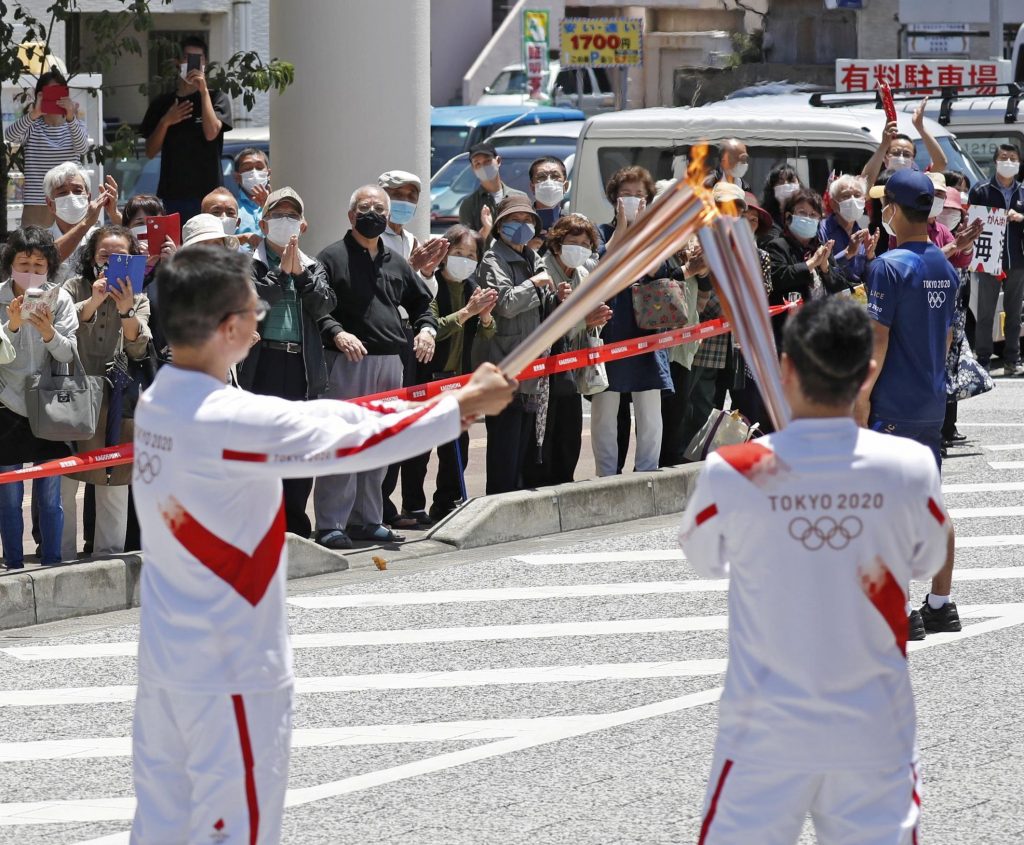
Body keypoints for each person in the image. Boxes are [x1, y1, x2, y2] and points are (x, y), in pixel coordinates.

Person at [128, 245, 515, 845]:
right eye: (254, 309)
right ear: (229, 327)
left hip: (167, 662)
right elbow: (344, 438)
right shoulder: (225, 419)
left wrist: (449, 405)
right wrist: (457, 406)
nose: (261, 319)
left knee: (162, 826)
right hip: (229, 668)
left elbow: (334, 425)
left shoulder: (159, 403)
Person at [680, 296, 948, 845]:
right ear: (869, 372)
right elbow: (927, 559)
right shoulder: (909, 467)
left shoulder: (733, 471)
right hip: (874, 726)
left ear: (785, 369)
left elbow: (704, 558)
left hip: (765, 729)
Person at [856, 169, 961, 640]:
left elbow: (876, 347)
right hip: (931, 402)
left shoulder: (888, 266)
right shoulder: (943, 263)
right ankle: (940, 604)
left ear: (895, 210)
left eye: (885, 204)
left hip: (892, 404)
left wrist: (859, 403)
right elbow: (945, 340)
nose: (882, 211)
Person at [313, 185, 437, 548]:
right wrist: (336, 333)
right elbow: (317, 308)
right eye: (365, 207)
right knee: (345, 443)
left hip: (390, 364)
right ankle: (331, 523)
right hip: (348, 362)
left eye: (379, 209)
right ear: (351, 216)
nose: (373, 214)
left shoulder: (396, 261)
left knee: (378, 445)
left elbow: (422, 304)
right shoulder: (331, 257)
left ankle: (367, 519)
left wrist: (427, 330)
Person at [237, 187, 336, 539]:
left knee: (298, 451)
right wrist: (282, 274)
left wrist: (302, 275)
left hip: (301, 368)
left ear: (303, 225)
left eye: (291, 216)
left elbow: (324, 305)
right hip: (261, 364)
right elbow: (253, 300)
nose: (284, 222)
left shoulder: (314, 266)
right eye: (277, 216)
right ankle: (262, 528)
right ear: (263, 224)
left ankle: (295, 528)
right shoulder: (248, 262)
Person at [60, 225, 152, 561]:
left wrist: (126, 308)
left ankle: (108, 559)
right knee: (64, 482)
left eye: (120, 257)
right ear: (91, 256)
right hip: (71, 392)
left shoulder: (139, 296)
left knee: (113, 483)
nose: (110, 262)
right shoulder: (73, 287)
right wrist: (94, 299)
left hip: (117, 397)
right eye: (104, 255)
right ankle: (61, 556)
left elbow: (140, 348)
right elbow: (62, 328)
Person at [410, 225, 498, 522]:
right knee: (419, 447)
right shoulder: (431, 285)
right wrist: (468, 312)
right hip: (430, 377)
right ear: (446, 254)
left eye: (471, 254)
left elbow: (488, 335)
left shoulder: (473, 286)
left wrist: (485, 317)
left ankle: (446, 501)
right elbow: (433, 326)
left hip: (461, 381)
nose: (464, 259)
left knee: (456, 445)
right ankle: (412, 506)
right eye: (459, 253)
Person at [375, 169, 447, 530]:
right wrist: (411, 271)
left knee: (414, 422)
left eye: (411, 196)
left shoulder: (411, 239)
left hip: (410, 337)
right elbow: (377, 293)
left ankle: (411, 502)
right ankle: (381, 503)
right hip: (383, 338)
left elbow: (421, 298)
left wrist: (427, 274)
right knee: (386, 422)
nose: (405, 202)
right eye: (397, 194)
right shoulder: (373, 240)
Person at [0, 227, 76, 569]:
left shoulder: (60, 299)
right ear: (10, 263)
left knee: (49, 496)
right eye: (23, 263)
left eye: (38, 264)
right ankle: (14, 565)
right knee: (8, 495)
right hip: (8, 404)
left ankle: (52, 564)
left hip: (50, 405)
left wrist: (48, 331)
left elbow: (69, 354)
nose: (30, 271)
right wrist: (12, 327)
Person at [473, 195, 555, 493]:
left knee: (522, 449)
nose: (521, 226)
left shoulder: (534, 258)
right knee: (503, 452)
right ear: (499, 226)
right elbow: (504, 303)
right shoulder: (493, 259)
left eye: (527, 221)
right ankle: (496, 506)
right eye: (513, 221)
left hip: (531, 369)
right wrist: (534, 284)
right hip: (503, 365)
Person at [594, 166, 673, 477]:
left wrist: (641, 232)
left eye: (639, 195)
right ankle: (606, 475)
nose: (632, 200)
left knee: (650, 411)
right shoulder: (601, 232)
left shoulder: (655, 235)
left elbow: (661, 270)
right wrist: (623, 230)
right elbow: (600, 262)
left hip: (646, 331)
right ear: (614, 199)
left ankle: (647, 473)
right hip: (610, 327)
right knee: (604, 411)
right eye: (626, 194)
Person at [526, 213, 611, 486]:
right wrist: (584, 321)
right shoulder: (544, 270)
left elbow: (588, 319)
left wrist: (593, 323)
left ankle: (564, 482)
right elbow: (546, 325)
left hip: (573, 366)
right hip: (545, 369)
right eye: (573, 241)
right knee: (546, 433)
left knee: (570, 432)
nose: (580, 248)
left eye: (586, 244)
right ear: (558, 243)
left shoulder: (584, 273)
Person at [141, 36, 233, 220]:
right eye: (187, 58)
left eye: (197, 59)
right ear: (178, 62)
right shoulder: (162, 103)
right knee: (173, 247)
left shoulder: (217, 98)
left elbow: (211, 133)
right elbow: (150, 151)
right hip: (172, 195)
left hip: (208, 197)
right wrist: (166, 122)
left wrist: (203, 90)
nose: (191, 64)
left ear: (205, 63)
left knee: (208, 247)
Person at [3, 70, 88, 228]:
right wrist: (34, 114)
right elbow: (10, 136)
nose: (54, 99)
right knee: (34, 251)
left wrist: (70, 117)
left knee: (72, 250)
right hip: (37, 202)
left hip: (70, 200)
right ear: (38, 96)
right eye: (49, 94)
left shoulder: (74, 125)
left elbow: (83, 148)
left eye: (59, 93)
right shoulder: (32, 125)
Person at [968, 143, 1024, 376]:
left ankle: (1013, 358)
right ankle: (982, 359)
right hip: (988, 259)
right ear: (995, 161)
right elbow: (971, 221)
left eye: (1013, 158)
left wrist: (1021, 217)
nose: (1008, 162)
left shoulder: (1023, 191)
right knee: (985, 312)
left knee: (1014, 313)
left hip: (1018, 260)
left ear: (1019, 164)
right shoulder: (981, 189)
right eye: (1004, 157)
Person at [44, 161, 120, 278]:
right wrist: (86, 223)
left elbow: (132, 248)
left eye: (78, 191)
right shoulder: (41, 239)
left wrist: (114, 214)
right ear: (50, 204)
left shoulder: (101, 237)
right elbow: (48, 259)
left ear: (88, 198)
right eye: (63, 192)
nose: (71, 197)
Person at [861, 97, 948, 188]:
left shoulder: (919, 183)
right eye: (895, 153)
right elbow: (865, 181)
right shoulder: (878, 183)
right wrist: (884, 144)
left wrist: (920, 127)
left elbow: (941, 163)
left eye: (907, 154)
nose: (901, 157)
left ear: (913, 159)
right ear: (885, 157)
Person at [458, 142, 528, 241]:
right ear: (473, 168)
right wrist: (486, 229)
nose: (483, 166)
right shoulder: (469, 204)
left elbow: (528, 235)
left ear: (498, 161)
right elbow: (468, 246)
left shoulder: (520, 198)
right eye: (477, 163)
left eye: (487, 161)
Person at [819, 174, 877, 286]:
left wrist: (870, 257)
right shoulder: (822, 230)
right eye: (846, 196)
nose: (853, 200)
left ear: (864, 201)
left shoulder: (862, 234)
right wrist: (847, 254)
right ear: (833, 204)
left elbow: (869, 278)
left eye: (857, 195)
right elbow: (820, 272)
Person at [527, 155, 570, 252]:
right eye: (541, 177)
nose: (549, 182)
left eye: (555, 176)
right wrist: (526, 249)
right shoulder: (521, 222)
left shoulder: (573, 225)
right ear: (532, 187)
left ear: (565, 186)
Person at [233, 147, 271, 248]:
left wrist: (270, 207)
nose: (254, 172)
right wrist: (244, 238)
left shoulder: (282, 204)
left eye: (259, 167)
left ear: (268, 174)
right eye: (247, 168)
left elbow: (300, 226)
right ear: (237, 177)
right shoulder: (230, 208)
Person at [760, 163, 802, 240]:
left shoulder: (806, 214)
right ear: (772, 187)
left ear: (799, 184)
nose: (786, 184)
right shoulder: (765, 218)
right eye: (780, 182)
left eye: (791, 181)